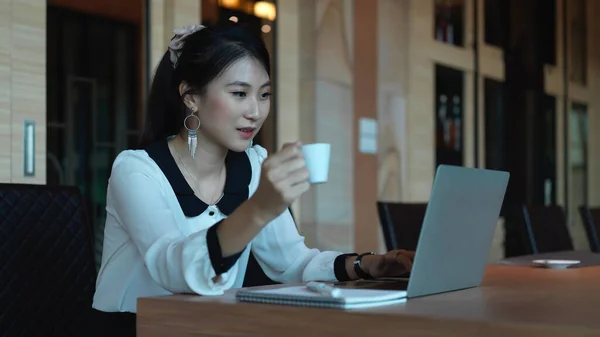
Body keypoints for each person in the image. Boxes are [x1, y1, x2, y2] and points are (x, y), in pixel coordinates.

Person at [91, 23, 414, 336]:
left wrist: (367, 265)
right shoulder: (136, 170)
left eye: (264, 95)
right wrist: (259, 208)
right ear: (190, 96)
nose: (256, 112)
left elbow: (292, 263)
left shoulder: (254, 163)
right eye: (239, 93)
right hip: (137, 328)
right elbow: (172, 269)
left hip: (210, 328)